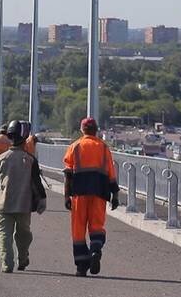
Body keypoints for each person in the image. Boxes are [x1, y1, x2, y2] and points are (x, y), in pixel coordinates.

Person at [0, 120, 46, 273]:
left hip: (3, 204)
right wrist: (42, 199)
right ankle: (23, 258)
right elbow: (37, 183)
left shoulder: (0, 159)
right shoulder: (30, 160)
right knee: (24, 235)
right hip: (23, 204)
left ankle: (7, 264)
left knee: (4, 236)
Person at [63, 117, 117, 277]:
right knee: (97, 226)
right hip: (100, 193)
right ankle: (95, 250)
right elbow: (111, 174)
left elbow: (68, 174)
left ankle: (81, 266)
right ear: (96, 130)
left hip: (79, 194)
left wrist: (67, 196)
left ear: (82, 130)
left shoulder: (75, 147)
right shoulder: (104, 148)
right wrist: (115, 195)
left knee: (78, 230)